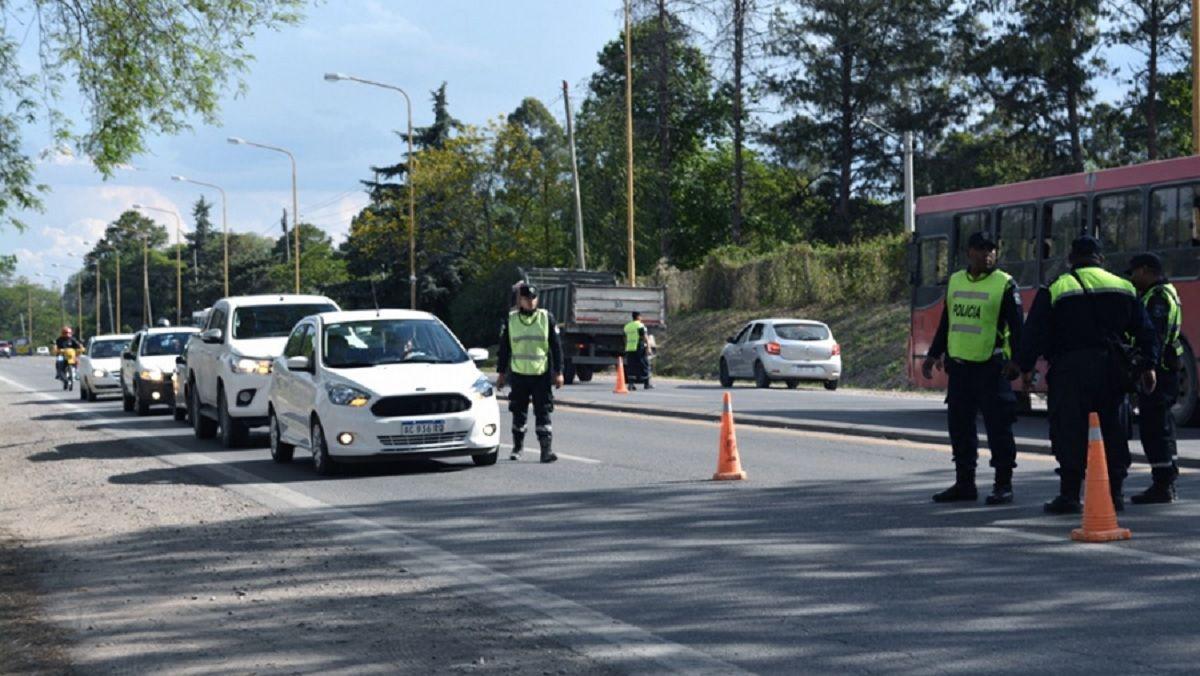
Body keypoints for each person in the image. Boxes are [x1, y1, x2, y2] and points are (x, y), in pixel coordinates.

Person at [1017, 235, 1159, 514]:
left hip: (1070, 370)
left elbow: (1034, 332)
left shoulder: (1057, 287)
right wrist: (1148, 365)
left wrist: (1025, 368)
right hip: (1113, 369)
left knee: (1068, 429)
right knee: (1115, 430)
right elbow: (1146, 331)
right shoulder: (1124, 287)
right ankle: (1115, 493)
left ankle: (1070, 494)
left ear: (1071, 259)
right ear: (1101, 259)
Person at [922, 232, 1024, 505]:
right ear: (969, 252)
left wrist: (1019, 363)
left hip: (992, 369)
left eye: (992, 249)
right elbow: (947, 322)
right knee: (960, 429)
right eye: (981, 249)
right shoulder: (955, 280)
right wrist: (933, 355)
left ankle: (1003, 484)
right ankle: (964, 483)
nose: (988, 254)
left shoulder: (1004, 284)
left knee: (999, 429)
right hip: (960, 369)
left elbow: (1017, 328)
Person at [1127, 253, 1184, 504]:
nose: (1132, 278)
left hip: (1159, 373)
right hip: (1167, 371)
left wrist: (1145, 366)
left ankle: (1162, 484)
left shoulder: (1157, 298)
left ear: (1147, 270)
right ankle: (1167, 479)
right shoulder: (1165, 292)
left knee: (1154, 429)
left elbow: (1155, 337)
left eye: (1135, 272)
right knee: (1163, 427)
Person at [497, 283, 565, 463]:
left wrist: (559, 372)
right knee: (518, 412)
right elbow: (504, 349)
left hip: (541, 374)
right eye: (527, 298)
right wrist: (501, 374)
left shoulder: (546, 318)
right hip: (519, 374)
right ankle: (517, 448)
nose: (531, 302)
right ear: (520, 300)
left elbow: (556, 347)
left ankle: (546, 450)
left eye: (533, 298)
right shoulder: (511, 320)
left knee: (543, 411)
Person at [623, 311, 653, 390]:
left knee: (631, 366)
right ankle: (646, 384)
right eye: (641, 316)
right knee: (644, 364)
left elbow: (625, 338)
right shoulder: (640, 325)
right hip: (639, 347)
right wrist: (648, 347)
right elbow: (644, 336)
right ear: (638, 317)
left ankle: (631, 385)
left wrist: (626, 347)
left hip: (630, 348)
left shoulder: (627, 326)